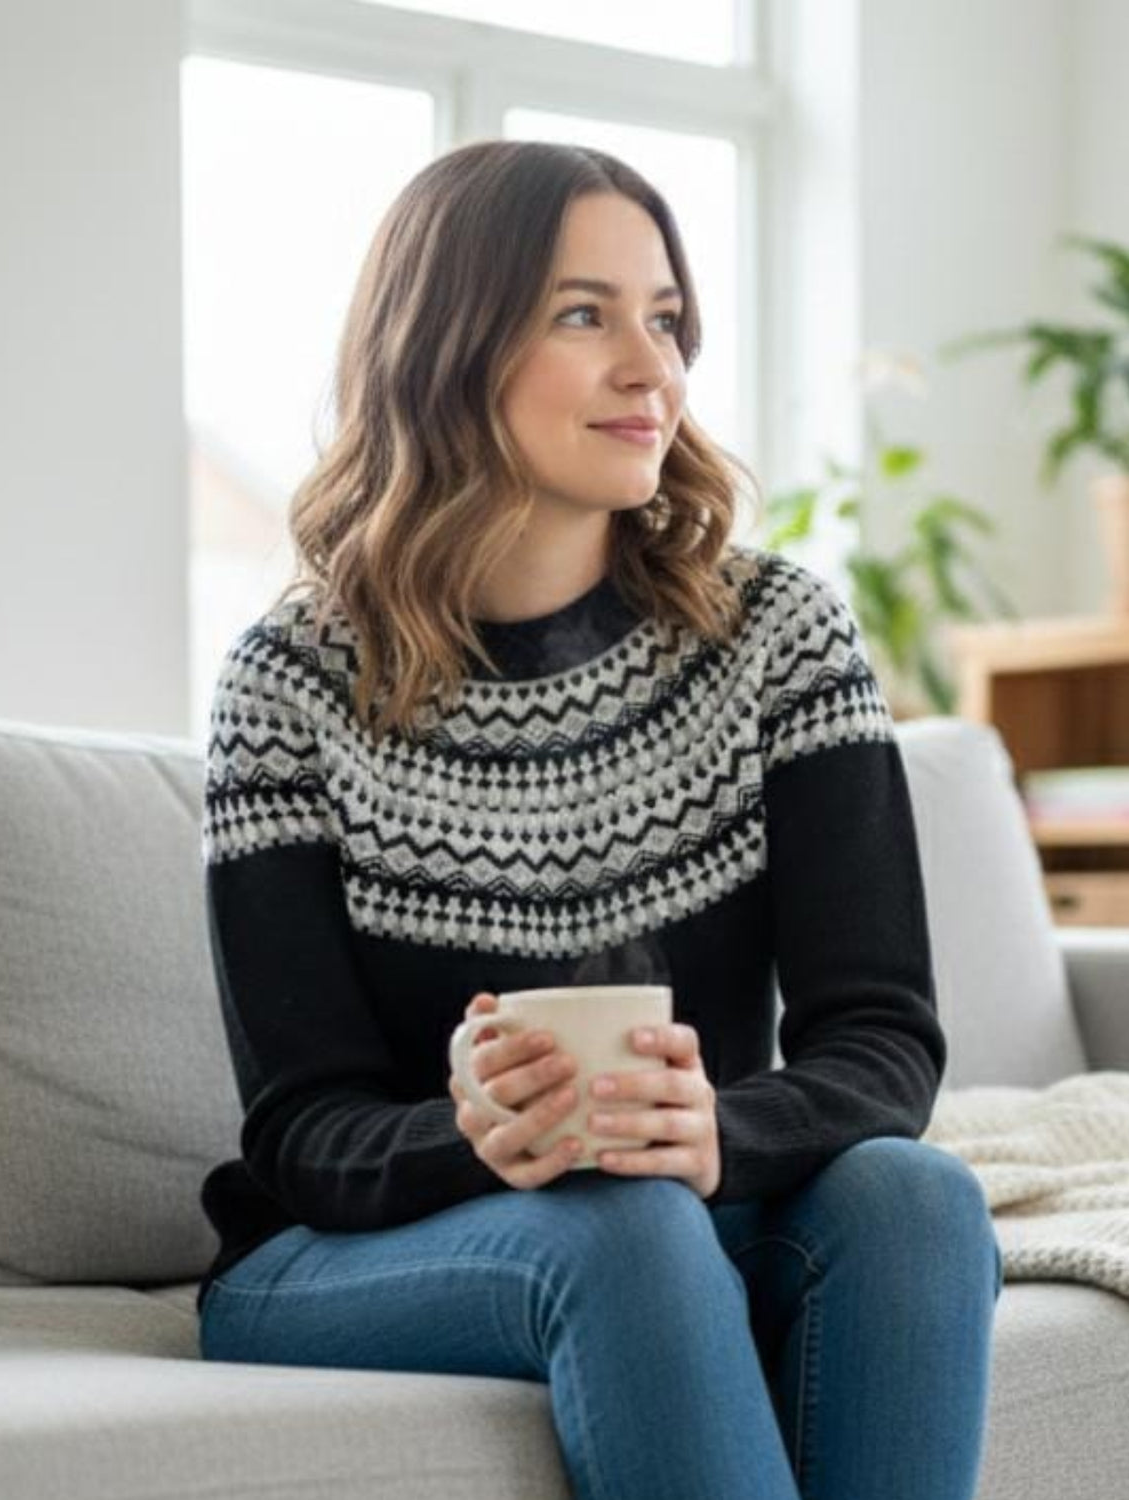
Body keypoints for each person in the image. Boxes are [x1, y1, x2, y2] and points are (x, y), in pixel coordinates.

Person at [195, 138, 1003, 1500]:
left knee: (917, 1199)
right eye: (587, 314)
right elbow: (304, 1128)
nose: (654, 368)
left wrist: (718, 1136)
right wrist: (477, 1139)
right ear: (447, 345)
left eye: (667, 318)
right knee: (621, 1225)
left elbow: (882, 1043)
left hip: (681, 1210)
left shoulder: (777, 638)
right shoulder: (288, 688)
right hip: (358, 1253)